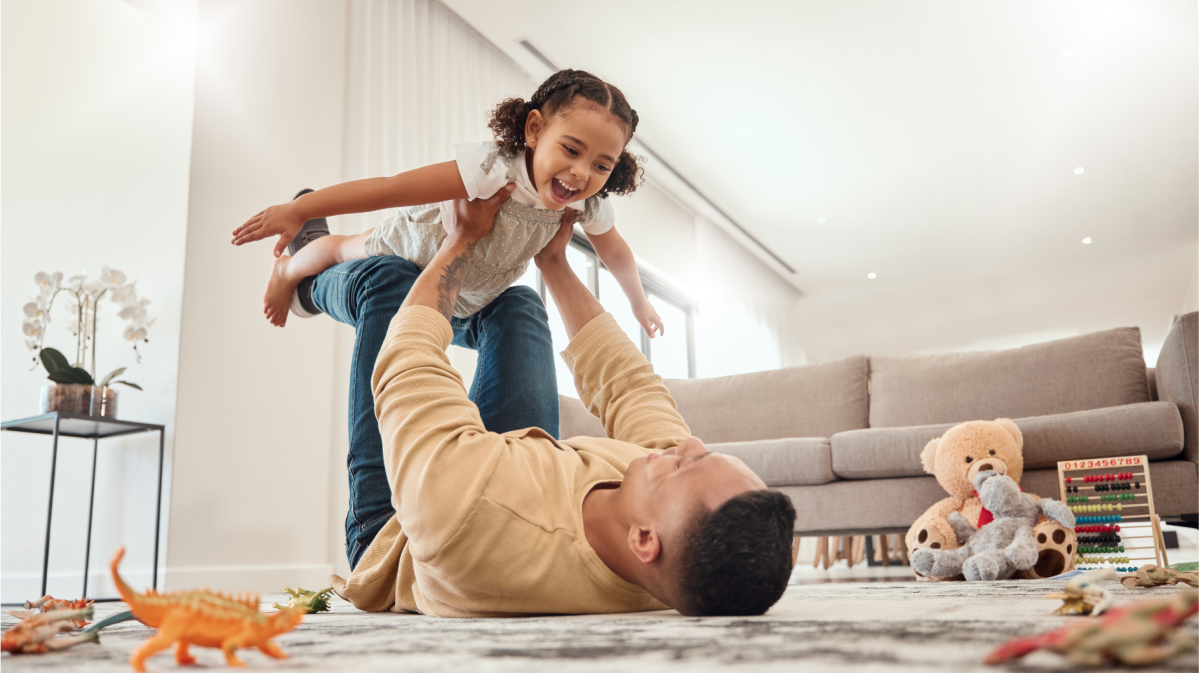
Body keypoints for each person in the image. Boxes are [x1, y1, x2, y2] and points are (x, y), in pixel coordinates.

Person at [331, 188, 797, 618]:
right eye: (703, 454)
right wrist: (555, 260)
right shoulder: (661, 531)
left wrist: (461, 239)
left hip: (399, 531)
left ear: (643, 539)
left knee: (390, 282)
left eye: (683, 466)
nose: (688, 444)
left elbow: (407, 362)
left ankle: (305, 284)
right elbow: (631, 386)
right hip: (506, 472)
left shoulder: (466, 511)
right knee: (519, 305)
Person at [230, 69, 664, 340]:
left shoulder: (586, 205)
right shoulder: (494, 168)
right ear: (534, 129)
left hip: (464, 289)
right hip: (413, 247)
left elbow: (616, 252)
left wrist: (638, 302)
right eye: (571, 150)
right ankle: (289, 269)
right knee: (344, 248)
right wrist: (300, 211)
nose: (583, 173)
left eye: (602, 165)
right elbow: (392, 188)